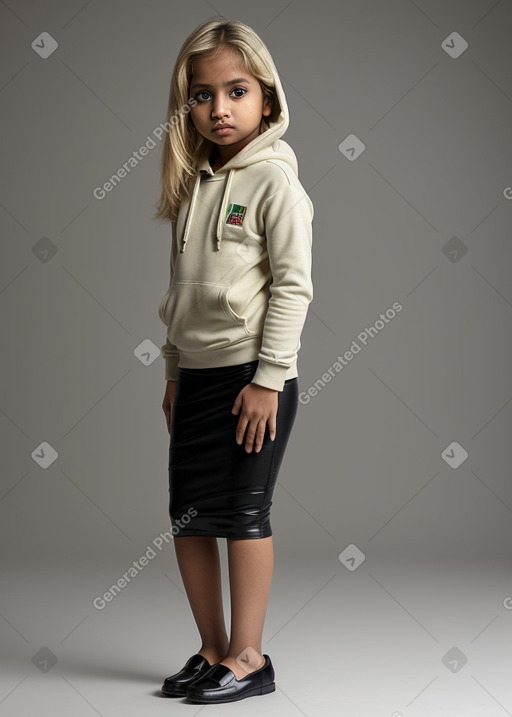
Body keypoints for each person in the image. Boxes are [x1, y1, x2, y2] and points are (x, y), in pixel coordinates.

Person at [154, 17, 314, 704]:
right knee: (189, 514)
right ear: (186, 105)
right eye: (202, 95)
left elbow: (294, 286)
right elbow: (179, 293)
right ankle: (213, 649)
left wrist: (268, 380)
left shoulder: (276, 182)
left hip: (253, 377)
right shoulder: (193, 185)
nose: (218, 108)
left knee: (243, 512)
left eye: (237, 91)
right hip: (195, 375)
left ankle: (250, 657)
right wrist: (171, 372)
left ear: (267, 100)